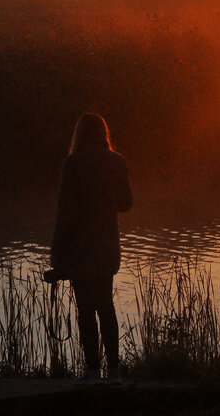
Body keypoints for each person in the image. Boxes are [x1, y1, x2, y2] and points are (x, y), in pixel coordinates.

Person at [51, 113, 133, 385]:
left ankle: (92, 373)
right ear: (103, 133)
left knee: (85, 309)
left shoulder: (72, 164)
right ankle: (115, 372)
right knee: (106, 306)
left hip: (81, 249)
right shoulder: (117, 161)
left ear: (79, 135)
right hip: (108, 246)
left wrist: (58, 257)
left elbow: (65, 214)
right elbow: (126, 204)